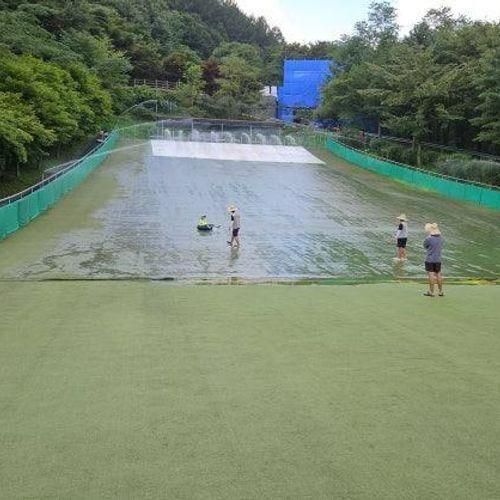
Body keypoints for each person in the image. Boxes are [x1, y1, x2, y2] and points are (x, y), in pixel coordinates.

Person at [423, 223, 444, 297]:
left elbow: (425, 246)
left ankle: (431, 292)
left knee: (431, 275)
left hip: (430, 259)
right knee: (438, 274)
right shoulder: (441, 238)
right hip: (438, 259)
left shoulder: (428, 239)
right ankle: (440, 291)